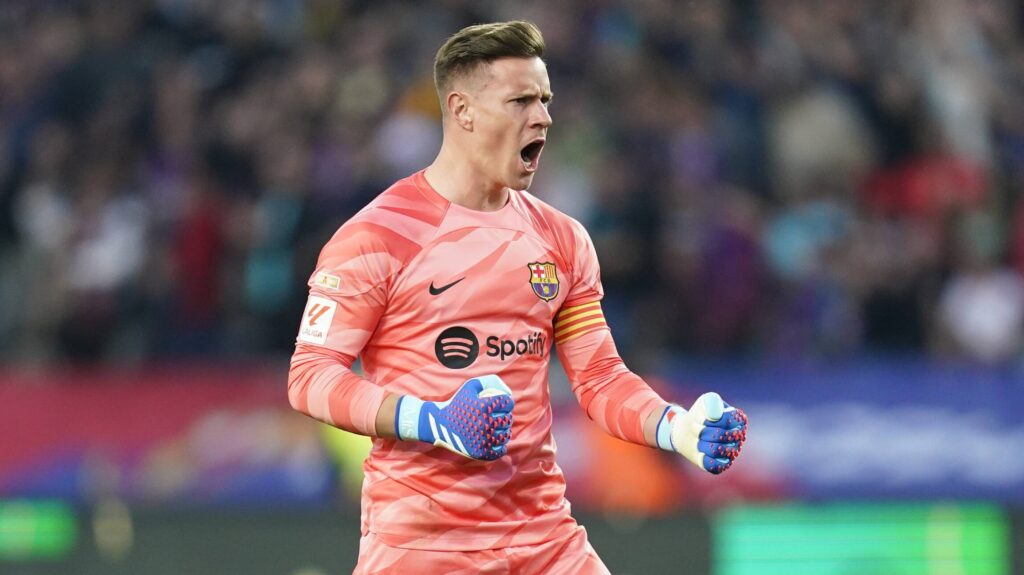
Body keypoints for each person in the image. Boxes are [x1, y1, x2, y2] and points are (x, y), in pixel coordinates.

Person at [287, 20, 747, 574]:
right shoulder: (378, 236)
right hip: (424, 547)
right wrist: (433, 420)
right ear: (462, 111)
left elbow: (599, 378)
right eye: (521, 100)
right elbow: (310, 376)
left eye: (546, 100)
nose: (544, 117)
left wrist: (677, 428)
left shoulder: (561, 238)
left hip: (545, 542)